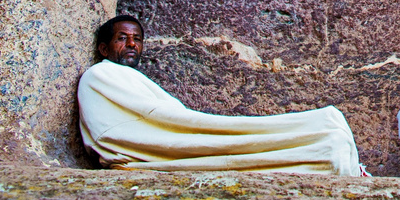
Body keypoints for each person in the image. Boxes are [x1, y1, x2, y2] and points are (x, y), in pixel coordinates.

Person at [77, 15, 365, 176]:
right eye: (122, 38)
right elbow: (134, 127)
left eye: (137, 39)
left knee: (325, 126)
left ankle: (322, 142)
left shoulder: (131, 78)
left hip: (175, 136)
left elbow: (169, 119)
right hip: (159, 144)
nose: (131, 44)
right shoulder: (98, 76)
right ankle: (322, 142)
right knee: (327, 126)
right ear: (104, 49)